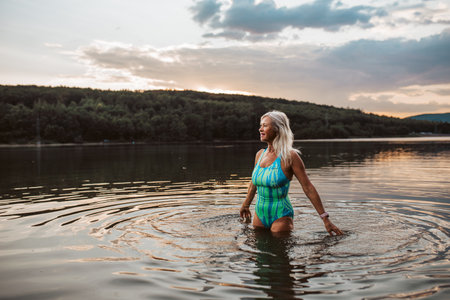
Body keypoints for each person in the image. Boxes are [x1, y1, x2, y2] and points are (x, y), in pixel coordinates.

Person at [240, 110, 343, 236]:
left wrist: (325, 218)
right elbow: (253, 184)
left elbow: (308, 187)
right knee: (259, 254)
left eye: (265, 125)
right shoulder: (259, 155)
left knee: (279, 253)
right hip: (260, 215)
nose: (260, 129)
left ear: (278, 129)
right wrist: (246, 205)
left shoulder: (290, 156)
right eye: (261, 125)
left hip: (281, 215)